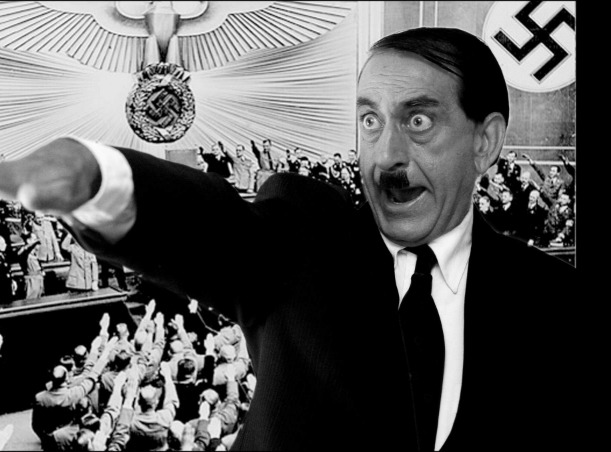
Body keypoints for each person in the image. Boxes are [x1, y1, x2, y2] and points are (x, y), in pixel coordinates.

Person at [0, 27, 578, 451]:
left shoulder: (555, 303)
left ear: (485, 142)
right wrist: (98, 182)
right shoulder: (306, 244)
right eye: (370, 121)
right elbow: (215, 230)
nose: (386, 157)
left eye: (418, 121)